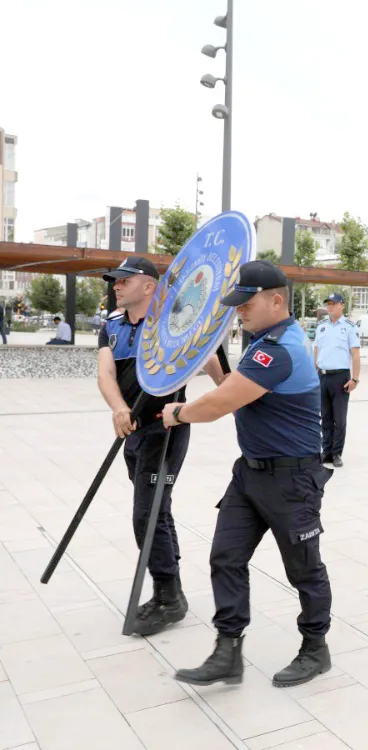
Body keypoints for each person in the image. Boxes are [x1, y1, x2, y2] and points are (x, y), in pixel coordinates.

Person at [166, 260, 334, 688]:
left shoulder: (279, 349)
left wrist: (177, 413)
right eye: (237, 304)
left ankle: (315, 649)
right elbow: (240, 392)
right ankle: (228, 651)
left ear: (276, 301)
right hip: (250, 475)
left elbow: (218, 406)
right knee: (226, 557)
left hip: (292, 480)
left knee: (304, 569)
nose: (239, 311)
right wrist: (214, 366)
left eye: (247, 303)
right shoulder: (264, 342)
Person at [98, 256, 224, 635]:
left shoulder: (176, 323)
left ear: (149, 286)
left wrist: (232, 394)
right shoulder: (112, 325)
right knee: (156, 509)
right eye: (115, 281)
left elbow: (212, 361)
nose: (117, 285)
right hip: (132, 432)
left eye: (124, 280)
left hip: (166, 430)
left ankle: (169, 596)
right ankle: (170, 586)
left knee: (147, 513)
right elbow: (105, 374)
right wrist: (119, 407)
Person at [313, 292, 361, 469]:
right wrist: (314, 373)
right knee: (325, 417)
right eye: (328, 304)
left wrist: (355, 379)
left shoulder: (349, 327)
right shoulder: (321, 327)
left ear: (342, 305)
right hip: (322, 376)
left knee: (339, 419)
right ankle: (326, 452)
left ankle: (337, 453)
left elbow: (355, 354)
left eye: (333, 303)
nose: (330, 306)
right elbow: (316, 350)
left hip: (340, 377)